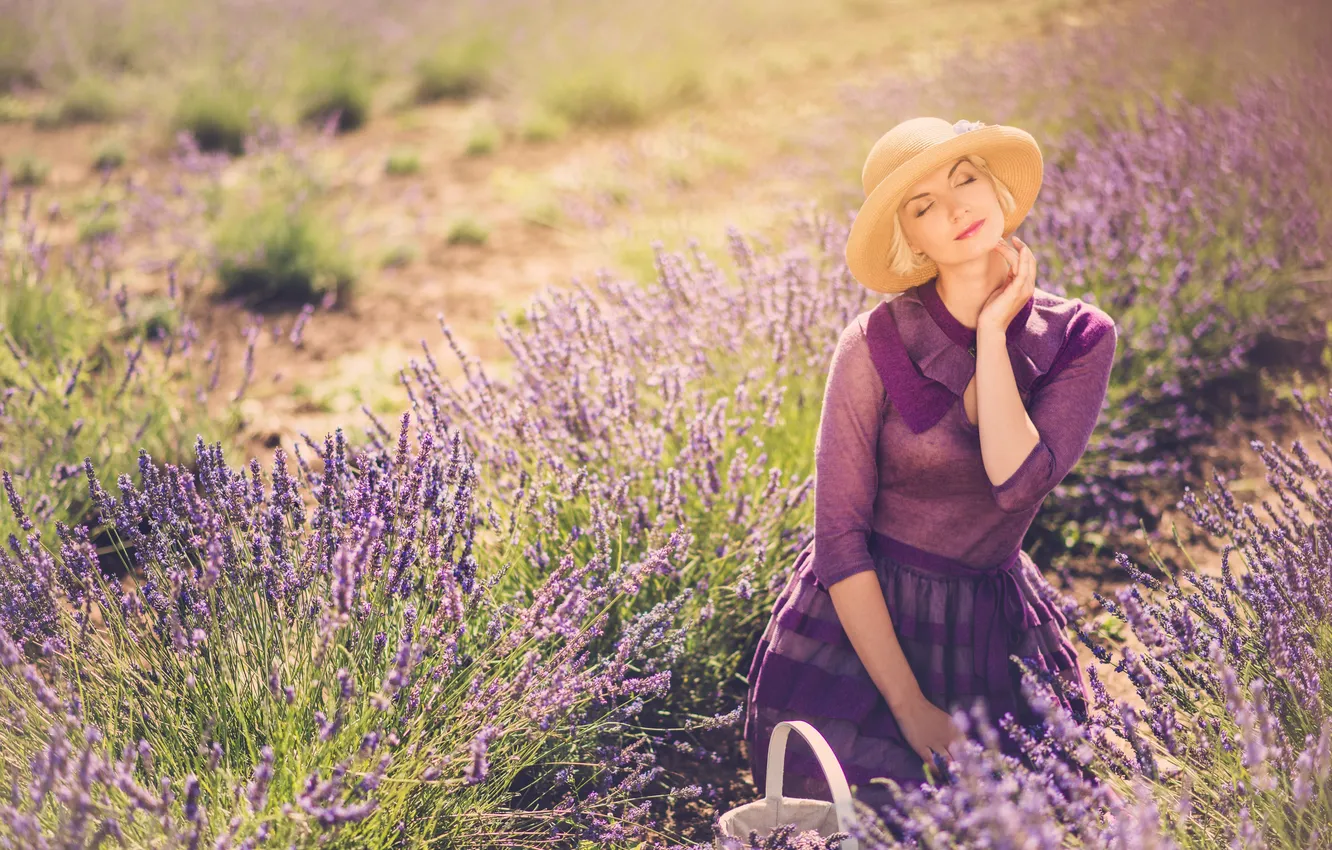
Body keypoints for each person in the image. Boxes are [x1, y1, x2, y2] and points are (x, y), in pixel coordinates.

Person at [742, 116, 1116, 814]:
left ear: (996, 186)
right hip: (862, 629)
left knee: (1029, 817)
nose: (954, 209)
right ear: (909, 239)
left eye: (965, 179)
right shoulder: (873, 344)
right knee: (885, 816)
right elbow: (840, 539)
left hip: (989, 625)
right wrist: (910, 705)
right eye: (922, 206)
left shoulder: (1080, 337)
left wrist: (993, 333)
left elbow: (1014, 484)